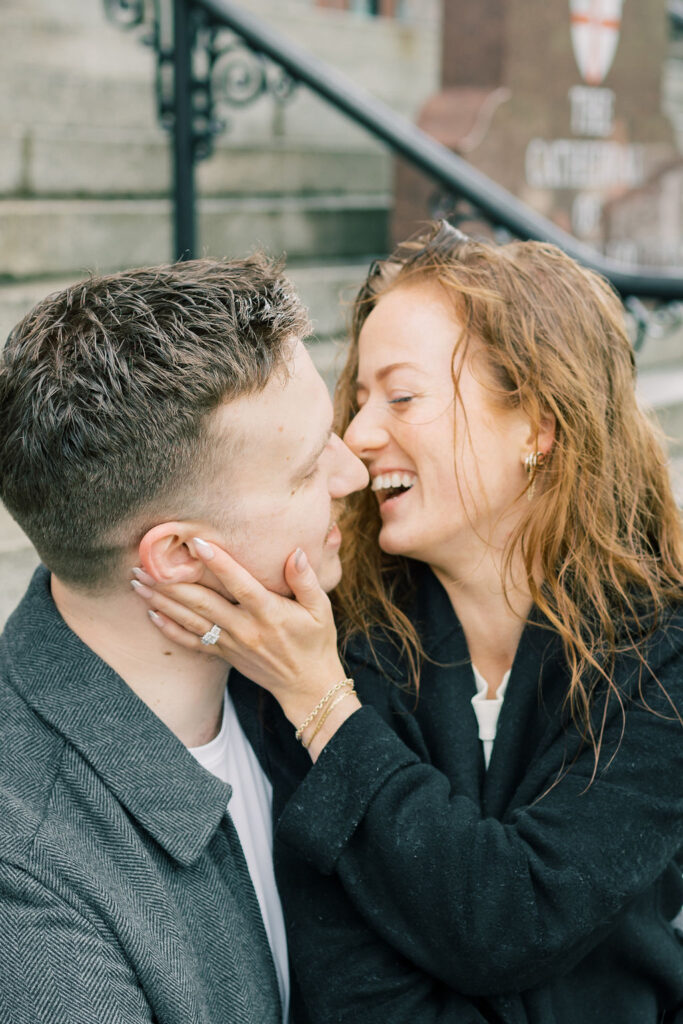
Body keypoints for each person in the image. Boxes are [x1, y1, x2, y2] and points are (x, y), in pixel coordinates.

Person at [134, 222, 683, 1024]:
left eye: (400, 396)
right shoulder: (321, 645)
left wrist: (328, 710)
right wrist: (321, 691)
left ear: (536, 424)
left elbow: (516, 919)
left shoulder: (660, 652)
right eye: (358, 398)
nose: (355, 440)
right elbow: (352, 991)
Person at [0, 254, 375, 1024]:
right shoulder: (30, 881)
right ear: (177, 557)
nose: (353, 474)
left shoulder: (305, 661)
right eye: (307, 469)